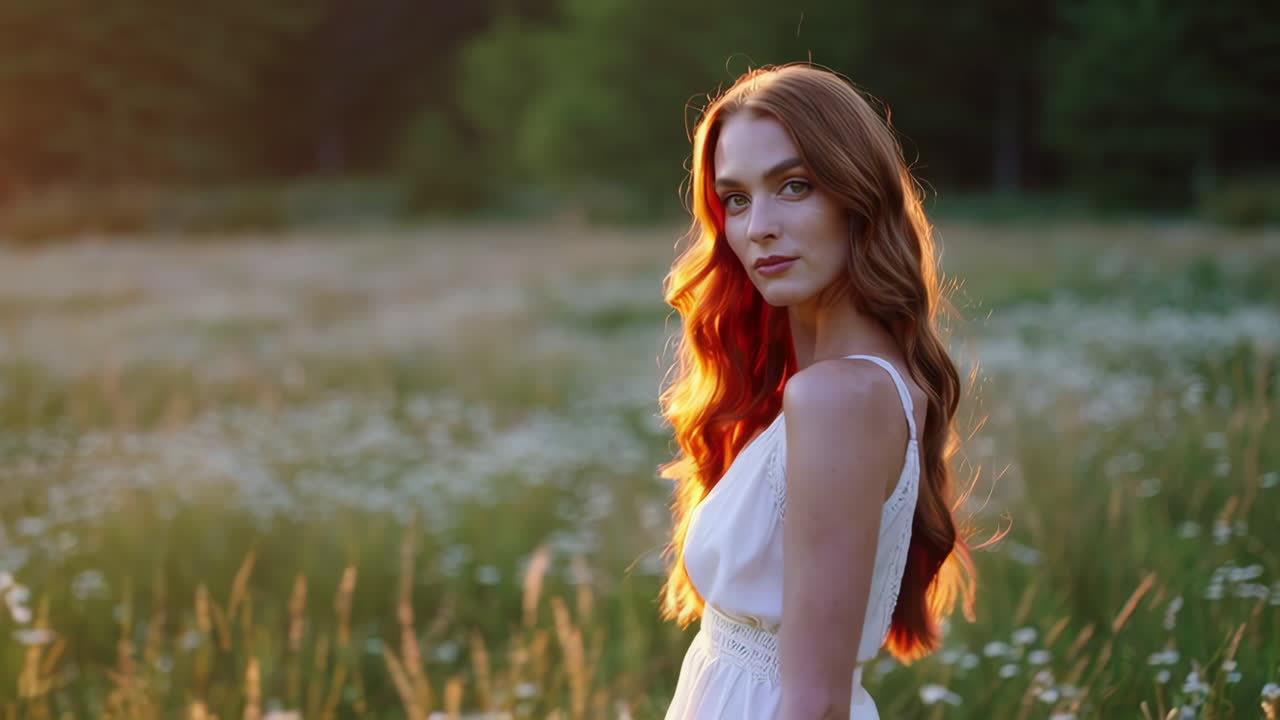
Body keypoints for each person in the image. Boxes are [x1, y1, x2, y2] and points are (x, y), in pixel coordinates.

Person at [657, 63, 978, 720]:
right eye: (736, 199)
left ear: (857, 195)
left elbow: (817, 705)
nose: (758, 227)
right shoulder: (844, 388)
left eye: (793, 186)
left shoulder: (840, 399)